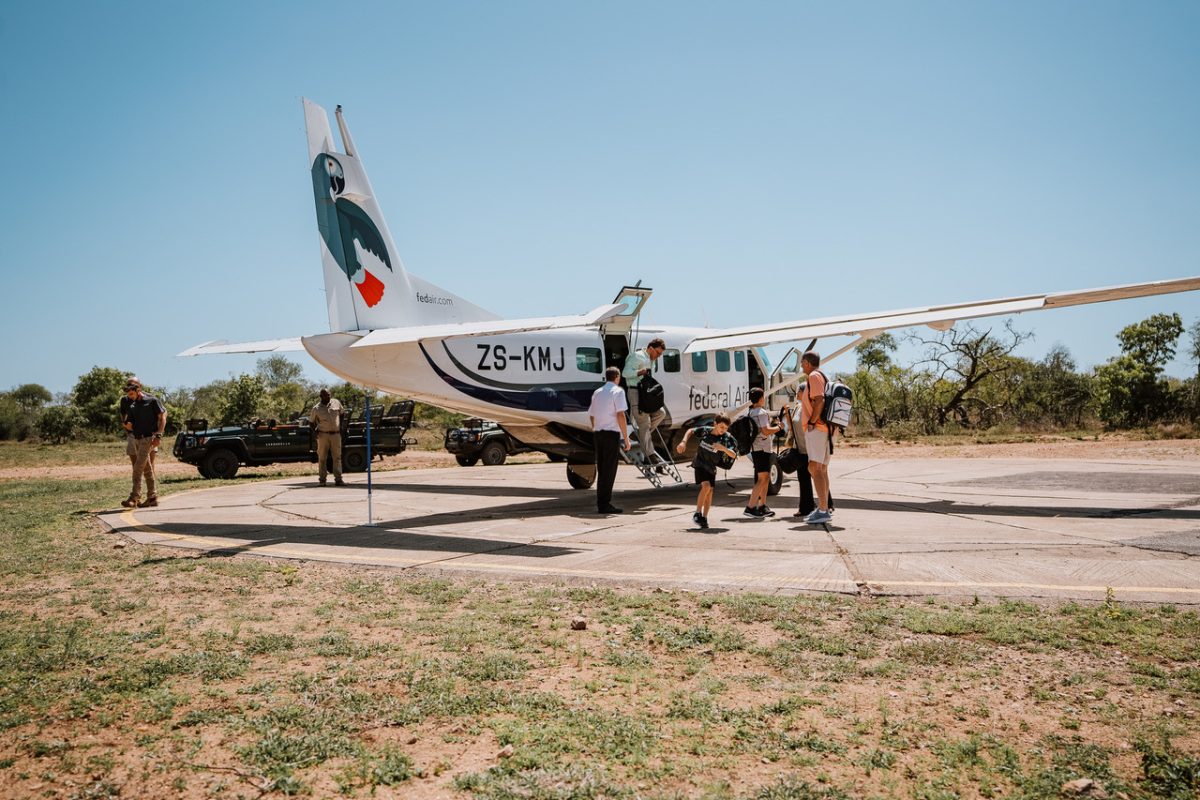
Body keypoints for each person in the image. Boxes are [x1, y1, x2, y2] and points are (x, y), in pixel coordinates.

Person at [675, 413, 738, 530]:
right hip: (699, 463)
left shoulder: (726, 438)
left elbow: (734, 455)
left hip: (711, 466)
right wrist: (683, 442)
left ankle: (704, 517)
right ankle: (697, 513)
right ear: (715, 424)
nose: (723, 430)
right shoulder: (705, 431)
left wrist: (723, 448)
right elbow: (690, 431)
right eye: (721, 427)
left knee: (710, 492)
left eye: (726, 428)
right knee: (706, 486)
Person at [588, 366, 631, 514]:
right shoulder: (618, 392)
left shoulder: (597, 392)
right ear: (617, 377)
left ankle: (602, 503)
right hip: (611, 434)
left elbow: (592, 415)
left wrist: (596, 428)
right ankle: (604, 504)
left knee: (602, 469)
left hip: (598, 434)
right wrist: (626, 438)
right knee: (609, 470)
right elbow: (620, 415)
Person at [798, 351, 834, 524]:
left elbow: (819, 400)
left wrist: (812, 421)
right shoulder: (822, 376)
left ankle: (822, 510)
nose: (800, 366)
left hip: (818, 429)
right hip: (825, 429)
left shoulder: (813, 376)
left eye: (801, 363)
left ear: (806, 362)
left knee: (814, 468)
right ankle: (824, 507)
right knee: (822, 469)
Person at [119, 377, 166, 508]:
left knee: (137, 468)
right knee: (147, 469)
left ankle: (134, 497)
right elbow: (130, 424)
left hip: (148, 438)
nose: (130, 397)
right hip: (138, 438)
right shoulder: (132, 405)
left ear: (138, 389)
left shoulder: (152, 401)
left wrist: (158, 436)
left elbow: (162, 417)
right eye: (129, 395)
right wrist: (126, 425)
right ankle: (152, 497)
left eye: (132, 394)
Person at [622, 337, 667, 463]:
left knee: (661, 413)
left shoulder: (651, 359)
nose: (658, 356)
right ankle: (650, 455)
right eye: (657, 353)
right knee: (644, 423)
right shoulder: (637, 356)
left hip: (646, 393)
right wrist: (639, 372)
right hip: (635, 391)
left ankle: (638, 434)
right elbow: (625, 373)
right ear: (651, 348)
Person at [744, 387, 783, 518]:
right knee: (761, 479)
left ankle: (762, 506)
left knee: (765, 478)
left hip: (758, 448)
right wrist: (778, 427)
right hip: (762, 449)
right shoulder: (761, 412)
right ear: (761, 398)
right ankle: (750, 507)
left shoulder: (751, 412)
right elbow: (765, 431)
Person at [310, 389, 345, 486]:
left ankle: (338, 480)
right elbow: (311, 422)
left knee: (337, 457)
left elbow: (342, 413)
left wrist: (341, 426)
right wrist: (315, 432)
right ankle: (322, 480)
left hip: (336, 435)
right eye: (325, 395)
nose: (328, 397)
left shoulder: (336, 402)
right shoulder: (316, 408)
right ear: (321, 396)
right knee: (322, 458)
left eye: (329, 395)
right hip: (323, 435)